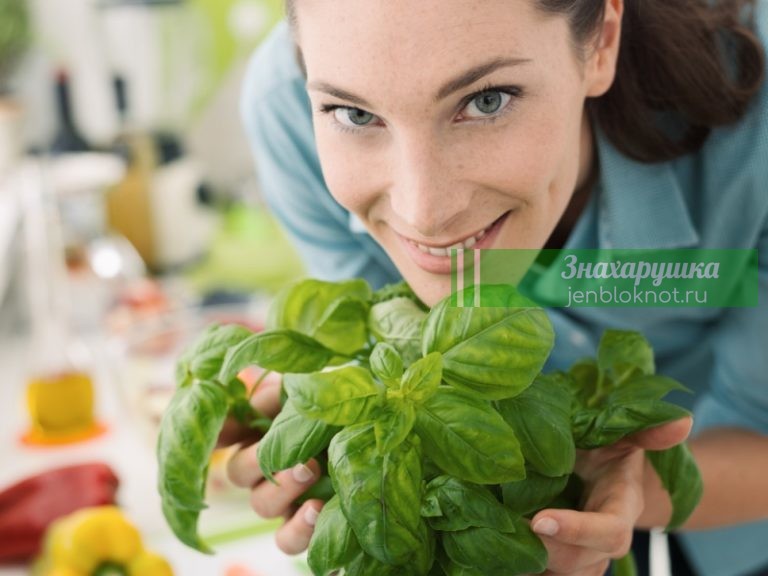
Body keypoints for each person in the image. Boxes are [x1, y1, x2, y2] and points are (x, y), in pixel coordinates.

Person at [227, 1, 768, 574]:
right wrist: (334, 437)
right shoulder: (287, 109)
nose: (424, 213)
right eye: (355, 115)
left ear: (602, 42)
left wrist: (637, 486)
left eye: (487, 100)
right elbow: (398, 341)